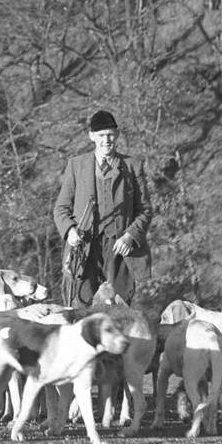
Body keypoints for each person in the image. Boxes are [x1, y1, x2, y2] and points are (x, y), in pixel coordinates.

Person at [53, 108, 152, 306]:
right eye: (101, 135)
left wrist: (130, 236)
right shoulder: (76, 165)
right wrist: (70, 231)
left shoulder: (132, 166)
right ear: (91, 136)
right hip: (84, 249)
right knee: (81, 310)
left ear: (117, 135)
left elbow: (145, 210)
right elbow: (61, 208)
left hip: (119, 250)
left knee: (121, 310)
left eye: (110, 135)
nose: (106, 140)